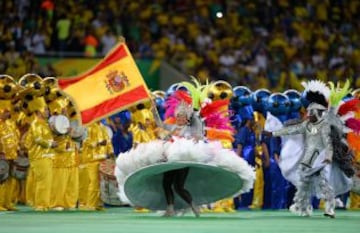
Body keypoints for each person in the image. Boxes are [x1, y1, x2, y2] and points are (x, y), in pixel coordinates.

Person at [159, 103, 202, 217]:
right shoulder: (171, 127)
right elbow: (159, 124)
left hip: (182, 160)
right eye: (178, 116)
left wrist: (195, 113)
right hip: (169, 159)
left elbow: (198, 134)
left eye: (182, 117)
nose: (180, 119)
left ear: (186, 119)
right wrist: (154, 111)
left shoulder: (189, 129)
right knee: (166, 184)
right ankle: (170, 208)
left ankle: (193, 205)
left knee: (178, 186)